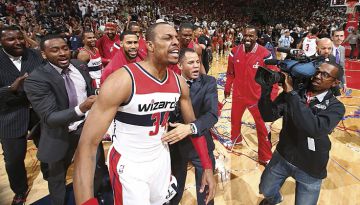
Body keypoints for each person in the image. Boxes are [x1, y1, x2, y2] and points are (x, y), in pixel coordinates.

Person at [73, 22, 216, 205]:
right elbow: (87, 145)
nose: (175, 42)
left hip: (161, 159)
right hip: (130, 163)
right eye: (167, 38)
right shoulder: (122, 80)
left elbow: (193, 129)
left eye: (175, 38)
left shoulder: (179, 83)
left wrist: (207, 167)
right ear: (149, 45)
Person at [24, 35, 108, 205]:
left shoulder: (79, 65)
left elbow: (90, 91)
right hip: (59, 133)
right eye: (55, 50)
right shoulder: (36, 79)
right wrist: (82, 108)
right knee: (57, 178)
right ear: (44, 54)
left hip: (87, 128)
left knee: (97, 168)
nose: (62, 53)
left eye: (64, 48)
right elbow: (50, 118)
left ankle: (96, 197)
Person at [258, 61, 345, 205]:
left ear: (335, 83)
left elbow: (314, 128)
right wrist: (265, 91)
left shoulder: (336, 107)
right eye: (317, 71)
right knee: (266, 190)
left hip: (310, 165)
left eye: (325, 75)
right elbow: (269, 115)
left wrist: (291, 93)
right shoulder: (297, 92)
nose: (318, 76)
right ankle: (275, 199)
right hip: (283, 155)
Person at [0, 25, 43, 205]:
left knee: (48, 148)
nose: (18, 42)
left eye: (20, 37)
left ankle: (51, 176)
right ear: (1, 41)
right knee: (13, 160)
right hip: (9, 116)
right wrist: (10, 89)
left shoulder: (34, 55)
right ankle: (19, 190)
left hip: (38, 113)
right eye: (11, 39)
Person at [169, 48, 218, 205]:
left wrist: (190, 128)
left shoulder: (209, 82)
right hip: (175, 146)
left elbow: (212, 115)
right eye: (191, 62)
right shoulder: (171, 82)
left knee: (205, 194)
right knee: (173, 193)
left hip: (201, 145)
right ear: (180, 65)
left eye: (198, 61)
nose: (196, 66)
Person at [224, 26, 278, 164]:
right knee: (235, 121)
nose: (248, 38)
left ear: (256, 37)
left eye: (251, 36)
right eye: (246, 35)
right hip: (238, 95)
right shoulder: (234, 52)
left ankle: (265, 156)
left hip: (257, 98)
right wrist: (227, 86)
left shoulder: (265, 54)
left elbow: (274, 78)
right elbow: (230, 73)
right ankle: (236, 141)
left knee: (262, 127)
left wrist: (271, 98)